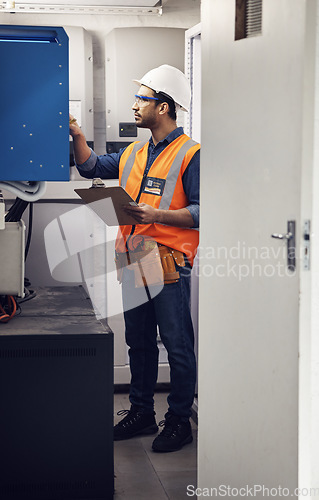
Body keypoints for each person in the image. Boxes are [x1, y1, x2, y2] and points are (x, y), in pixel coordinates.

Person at [69, 64, 200, 453]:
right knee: (139, 343)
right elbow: (90, 166)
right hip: (132, 257)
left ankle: (178, 419)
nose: (134, 105)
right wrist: (77, 135)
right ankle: (141, 411)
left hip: (168, 262)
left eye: (141, 98)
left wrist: (157, 215)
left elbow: (203, 210)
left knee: (176, 345)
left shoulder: (191, 154)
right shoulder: (134, 151)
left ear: (163, 107)